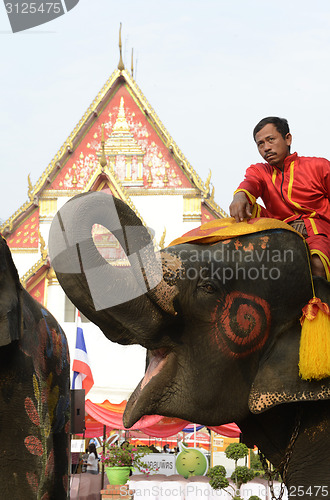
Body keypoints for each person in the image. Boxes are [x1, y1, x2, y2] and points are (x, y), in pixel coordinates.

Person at [229, 116, 330, 279]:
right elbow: (250, 183)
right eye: (260, 144)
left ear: (287, 139)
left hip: (318, 231)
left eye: (271, 140)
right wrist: (240, 196)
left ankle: (319, 304)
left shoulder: (319, 166)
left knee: (317, 263)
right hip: (278, 231)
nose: (266, 148)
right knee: (245, 210)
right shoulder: (260, 171)